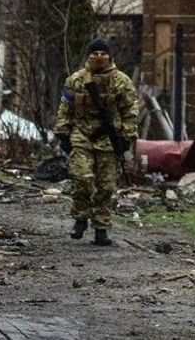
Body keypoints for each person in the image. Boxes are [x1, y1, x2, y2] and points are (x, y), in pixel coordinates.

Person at [54, 39, 138, 246]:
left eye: (103, 53)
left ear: (109, 56)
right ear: (88, 56)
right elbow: (65, 107)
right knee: (81, 178)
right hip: (81, 134)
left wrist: (127, 137)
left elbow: (130, 111)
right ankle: (80, 218)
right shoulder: (75, 80)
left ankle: (101, 228)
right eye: (95, 53)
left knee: (107, 186)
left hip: (109, 138)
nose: (99, 57)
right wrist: (63, 133)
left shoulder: (122, 81)